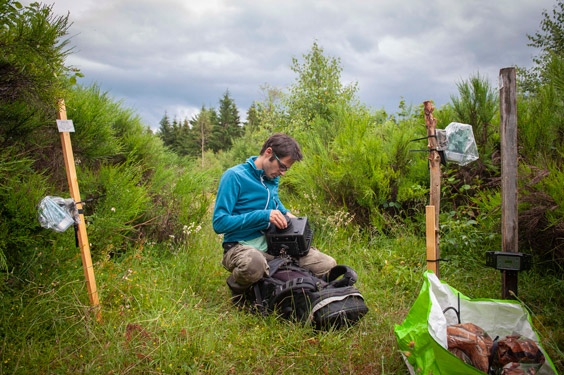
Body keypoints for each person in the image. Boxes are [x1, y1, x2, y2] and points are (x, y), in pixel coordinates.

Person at [213, 133, 336, 293]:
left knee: (327, 264)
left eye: (287, 169)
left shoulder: (272, 178)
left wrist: (291, 219)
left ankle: (277, 283)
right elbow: (219, 223)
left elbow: (276, 204)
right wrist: (262, 215)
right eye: (282, 166)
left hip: (273, 244)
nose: (283, 173)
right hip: (239, 246)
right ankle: (239, 289)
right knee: (254, 264)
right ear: (269, 152)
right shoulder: (234, 176)